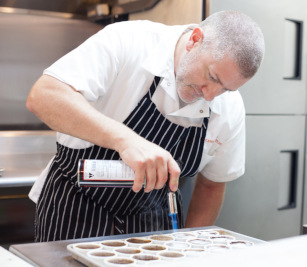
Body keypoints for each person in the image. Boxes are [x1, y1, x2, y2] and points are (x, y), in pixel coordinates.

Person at [26, 10, 265, 242]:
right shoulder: (130, 42)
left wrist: (191, 248)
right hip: (74, 211)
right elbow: (44, 96)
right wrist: (126, 141)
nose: (211, 95)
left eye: (225, 88)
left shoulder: (229, 108)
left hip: (154, 224)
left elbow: (211, 186)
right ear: (195, 40)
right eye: (212, 77)